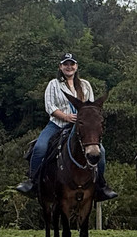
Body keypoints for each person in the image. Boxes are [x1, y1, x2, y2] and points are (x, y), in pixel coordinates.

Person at [15, 53, 117, 201]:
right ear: (60, 67)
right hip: (57, 124)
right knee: (40, 147)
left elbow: (91, 108)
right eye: (66, 64)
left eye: (72, 64)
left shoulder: (85, 85)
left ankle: (101, 185)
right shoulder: (53, 84)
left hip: (80, 127)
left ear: (76, 66)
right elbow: (50, 106)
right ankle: (32, 182)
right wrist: (66, 116)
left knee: (100, 151)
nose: (69, 67)